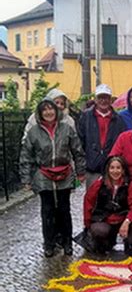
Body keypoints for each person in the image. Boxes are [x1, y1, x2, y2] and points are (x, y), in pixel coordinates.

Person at [20, 98, 86, 257]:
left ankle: (67, 243)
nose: (49, 112)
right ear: (40, 113)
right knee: (47, 210)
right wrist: (26, 178)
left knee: (64, 210)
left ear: (56, 111)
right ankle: (49, 244)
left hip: (64, 173)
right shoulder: (34, 132)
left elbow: (77, 150)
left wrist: (81, 171)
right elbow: (26, 155)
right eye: (45, 110)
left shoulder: (66, 128)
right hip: (44, 175)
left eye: (51, 109)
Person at [84, 156, 132, 255]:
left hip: (124, 220)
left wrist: (127, 221)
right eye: (112, 168)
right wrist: (88, 225)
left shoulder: (129, 184)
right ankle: (105, 242)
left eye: (118, 168)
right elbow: (88, 202)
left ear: (123, 170)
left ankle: (129, 242)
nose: (115, 171)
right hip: (104, 219)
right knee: (99, 231)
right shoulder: (99, 184)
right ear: (107, 170)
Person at [78, 84, 126, 188]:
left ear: (110, 99)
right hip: (92, 169)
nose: (103, 101)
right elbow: (79, 143)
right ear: (95, 99)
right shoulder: (86, 117)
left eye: (106, 98)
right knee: (92, 200)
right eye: (100, 98)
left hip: (112, 170)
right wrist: (82, 167)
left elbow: (123, 144)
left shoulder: (118, 120)